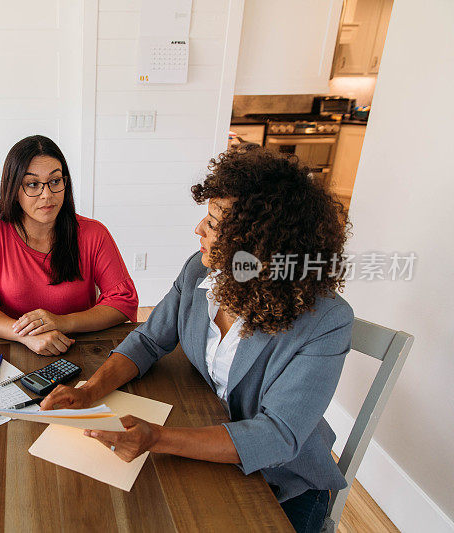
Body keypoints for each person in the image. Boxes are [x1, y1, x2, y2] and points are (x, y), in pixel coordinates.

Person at [41, 144, 353, 533]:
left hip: (282, 483)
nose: (198, 230)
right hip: (205, 437)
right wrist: (91, 390)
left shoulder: (325, 320)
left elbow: (278, 435)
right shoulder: (199, 271)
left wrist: (157, 437)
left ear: (261, 243)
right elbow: (150, 341)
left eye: (214, 223)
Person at [0, 135, 138, 356]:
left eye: (55, 181)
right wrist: (25, 335)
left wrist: (62, 322)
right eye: (33, 184)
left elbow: (123, 302)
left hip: (80, 349)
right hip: (12, 348)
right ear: (14, 190)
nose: (47, 195)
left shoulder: (94, 233)